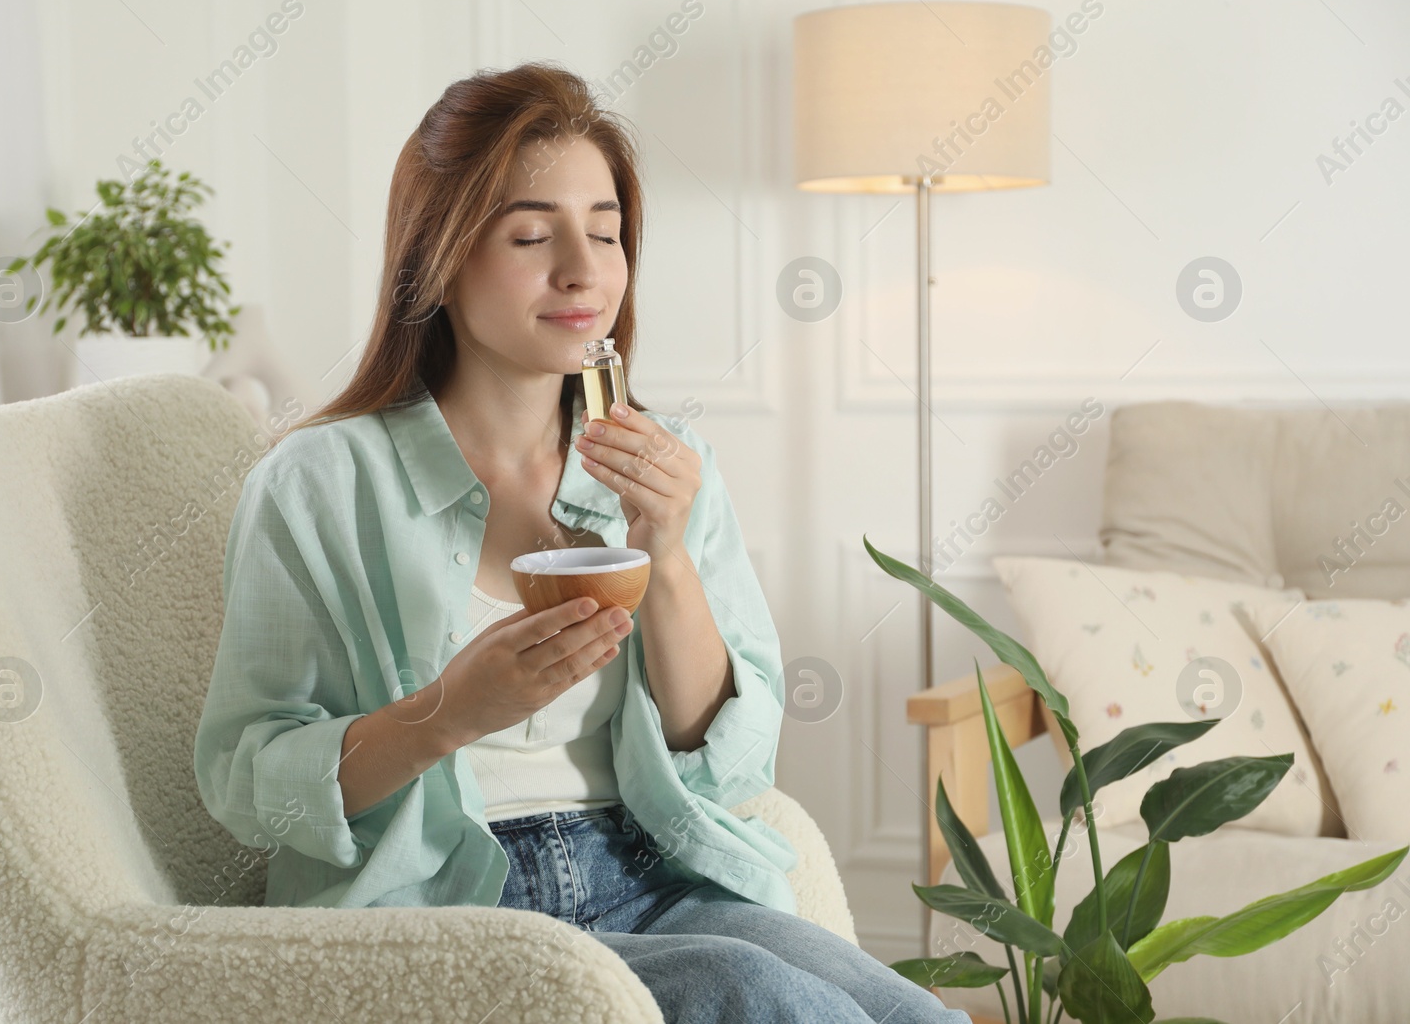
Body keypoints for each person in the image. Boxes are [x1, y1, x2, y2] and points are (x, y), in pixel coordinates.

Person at [195, 60, 969, 1024]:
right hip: (443, 901)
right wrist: (446, 713)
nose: (584, 269)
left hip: (652, 871)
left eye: (606, 232)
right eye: (532, 234)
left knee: (914, 1016)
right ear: (438, 257)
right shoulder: (319, 485)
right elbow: (244, 778)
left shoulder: (668, 466)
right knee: (752, 994)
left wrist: (670, 552)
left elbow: (728, 769)